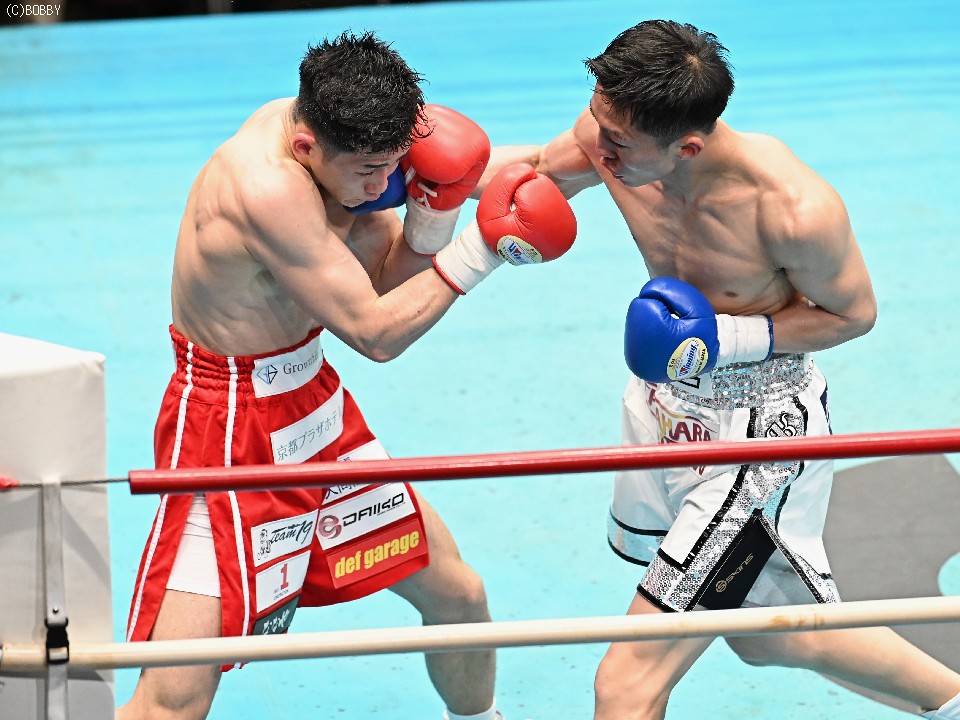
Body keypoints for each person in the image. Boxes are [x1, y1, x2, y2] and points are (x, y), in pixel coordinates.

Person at [475, 19, 960, 720]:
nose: (598, 150)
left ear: (687, 146)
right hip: (668, 408)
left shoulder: (791, 210)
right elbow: (533, 174)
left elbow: (853, 313)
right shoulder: (613, 133)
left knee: (627, 682)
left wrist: (725, 336)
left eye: (618, 143)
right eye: (599, 124)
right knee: (773, 635)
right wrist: (407, 181)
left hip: (759, 434)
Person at [116, 30, 576, 720]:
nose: (382, 184)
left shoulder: (343, 142)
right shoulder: (267, 188)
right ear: (307, 145)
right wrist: (479, 247)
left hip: (314, 407)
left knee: (459, 596)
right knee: (176, 696)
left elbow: (391, 270)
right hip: (231, 427)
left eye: (393, 164)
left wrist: (437, 215)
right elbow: (376, 333)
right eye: (371, 171)